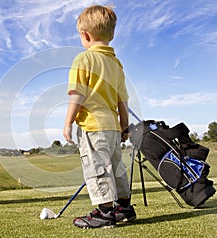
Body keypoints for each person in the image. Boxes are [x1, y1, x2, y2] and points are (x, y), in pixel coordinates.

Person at [63, 5, 136, 229]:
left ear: (85, 35)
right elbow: (122, 100)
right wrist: (125, 127)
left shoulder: (83, 59)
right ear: (110, 34)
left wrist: (67, 123)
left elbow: (78, 94)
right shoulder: (116, 64)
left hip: (93, 126)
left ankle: (104, 212)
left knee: (97, 168)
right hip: (113, 127)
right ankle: (124, 208)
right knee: (116, 168)